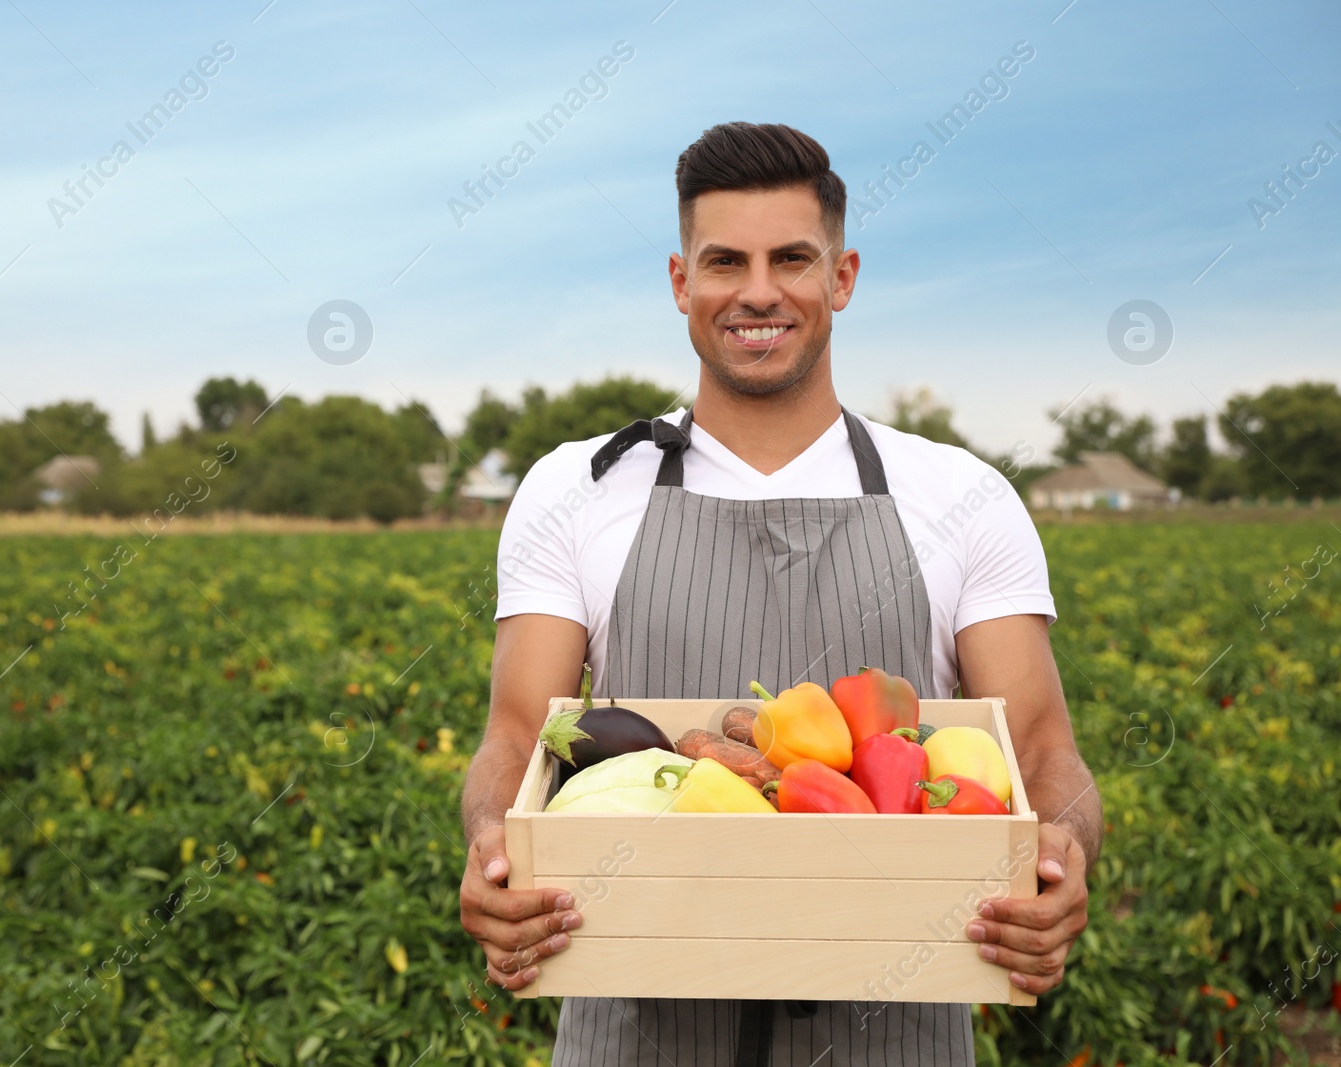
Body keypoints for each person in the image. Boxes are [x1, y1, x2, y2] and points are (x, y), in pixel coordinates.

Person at [458, 121, 1101, 1066]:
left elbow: (1045, 747)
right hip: (634, 1036)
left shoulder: (961, 496)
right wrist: (491, 846)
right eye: (726, 261)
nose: (759, 292)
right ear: (683, 283)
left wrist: (1061, 850)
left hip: (898, 1038)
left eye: (792, 259)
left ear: (841, 277)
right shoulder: (578, 488)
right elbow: (517, 738)